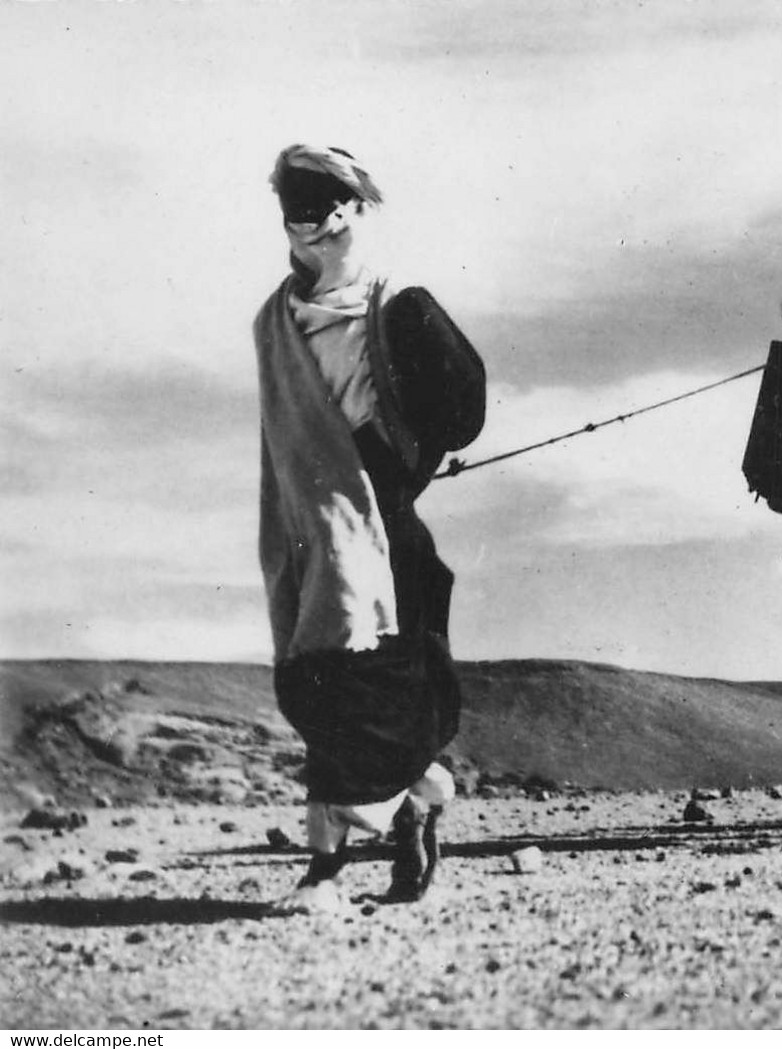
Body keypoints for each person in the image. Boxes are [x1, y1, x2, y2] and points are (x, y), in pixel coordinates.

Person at [255, 144, 486, 913]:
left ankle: (364, 849)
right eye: (299, 216)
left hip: (381, 516)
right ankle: (403, 811)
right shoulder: (275, 323)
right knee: (317, 679)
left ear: (353, 210)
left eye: (326, 212)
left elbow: (463, 405)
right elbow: (283, 433)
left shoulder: (400, 306)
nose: (313, 230)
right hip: (308, 523)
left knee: (384, 680)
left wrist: (407, 464)